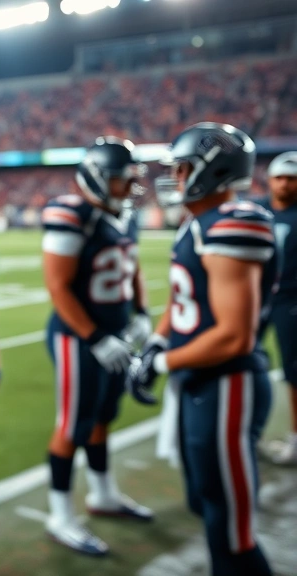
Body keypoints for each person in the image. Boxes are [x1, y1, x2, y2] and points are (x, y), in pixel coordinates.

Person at [128, 122, 275, 576]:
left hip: (227, 384)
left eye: (183, 167)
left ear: (212, 170)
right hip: (199, 381)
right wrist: (156, 342)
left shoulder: (234, 223)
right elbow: (184, 299)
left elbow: (233, 335)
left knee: (232, 531)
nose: (172, 175)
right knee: (204, 501)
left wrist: (164, 362)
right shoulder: (199, 223)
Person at [39, 136, 154, 556]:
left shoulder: (124, 215)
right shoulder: (73, 214)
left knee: (104, 417)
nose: (132, 187)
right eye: (125, 179)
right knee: (73, 426)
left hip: (115, 335)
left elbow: (132, 264)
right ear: (99, 178)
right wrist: (93, 336)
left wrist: (140, 310)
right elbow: (58, 286)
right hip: (78, 338)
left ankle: (103, 495)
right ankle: (60, 515)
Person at [257, 151, 297, 465]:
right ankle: (249, 433)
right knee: (246, 363)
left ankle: (295, 440)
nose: (285, 184)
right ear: (270, 180)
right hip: (256, 298)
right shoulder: (255, 211)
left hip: (291, 300)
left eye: (292, 179)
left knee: (293, 371)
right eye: (280, 178)